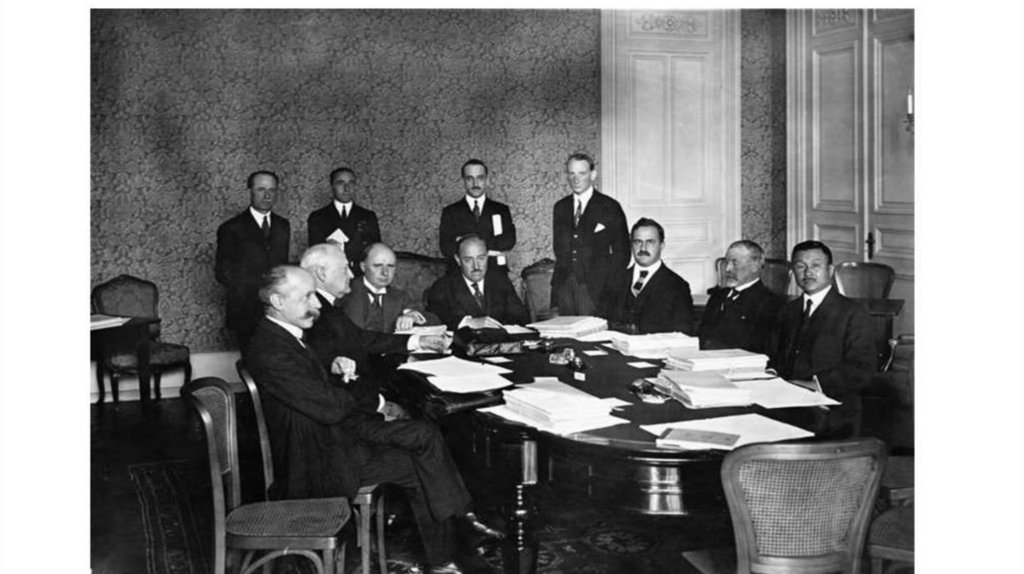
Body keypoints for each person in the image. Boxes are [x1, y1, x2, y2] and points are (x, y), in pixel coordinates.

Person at [245, 264, 501, 574]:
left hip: (333, 436)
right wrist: (354, 391)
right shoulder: (271, 350)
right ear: (277, 302)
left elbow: (316, 391)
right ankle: (449, 548)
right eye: (307, 297)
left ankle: (450, 543)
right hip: (318, 459)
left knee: (423, 438)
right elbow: (331, 407)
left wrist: (333, 370)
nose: (316, 304)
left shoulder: (284, 336)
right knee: (420, 456)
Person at [768, 240, 875, 438]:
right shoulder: (787, 311)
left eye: (816, 265)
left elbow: (862, 369)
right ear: (793, 272)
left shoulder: (852, 313)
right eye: (800, 266)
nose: (808, 272)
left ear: (831, 270)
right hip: (787, 404)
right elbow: (774, 356)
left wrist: (815, 385)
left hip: (833, 410)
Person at [215, 170, 291, 352]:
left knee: (278, 357)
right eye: (261, 189)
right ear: (250, 191)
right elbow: (222, 272)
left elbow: (283, 266)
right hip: (246, 309)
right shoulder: (231, 228)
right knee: (252, 358)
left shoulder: (283, 225)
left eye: (272, 190)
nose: (267, 195)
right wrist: (255, 289)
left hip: (277, 308)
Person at [551, 152, 629, 316]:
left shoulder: (610, 207)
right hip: (564, 285)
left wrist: (608, 287)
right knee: (565, 329)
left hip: (596, 289)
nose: (576, 179)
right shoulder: (560, 207)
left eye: (582, 173)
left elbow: (622, 253)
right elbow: (559, 249)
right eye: (571, 173)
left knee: (590, 330)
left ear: (593, 175)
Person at [600, 218, 694, 334]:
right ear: (631, 245)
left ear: (662, 245)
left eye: (650, 242)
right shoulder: (615, 281)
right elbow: (602, 324)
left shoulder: (678, 286)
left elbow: (683, 335)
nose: (643, 248)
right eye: (637, 242)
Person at [426, 235, 529, 330]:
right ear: (458, 260)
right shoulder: (442, 287)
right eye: (468, 260)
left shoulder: (501, 282)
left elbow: (521, 318)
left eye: (481, 258)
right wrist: (467, 322)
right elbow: (435, 321)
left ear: (487, 256)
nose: (476, 266)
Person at [699, 239, 783, 352]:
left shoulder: (770, 304)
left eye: (735, 263)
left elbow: (764, 350)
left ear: (755, 266)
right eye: (726, 262)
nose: (727, 269)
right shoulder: (718, 296)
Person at [340, 242, 441, 333]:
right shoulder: (344, 292)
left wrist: (412, 315)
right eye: (378, 266)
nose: (385, 272)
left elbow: (434, 321)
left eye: (390, 266)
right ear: (363, 267)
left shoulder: (400, 297)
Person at [439, 159, 517, 273]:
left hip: (496, 271)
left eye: (480, 178)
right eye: (469, 178)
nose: (475, 184)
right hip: (460, 274)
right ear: (463, 181)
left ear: (486, 179)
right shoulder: (450, 212)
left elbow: (509, 241)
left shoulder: (501, 209)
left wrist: (462, 240)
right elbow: (446, 248)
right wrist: (491, 247)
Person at [307, 167, 382, 274]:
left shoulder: (368, 216)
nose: (347, 188)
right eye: (340, 183)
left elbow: (376, 251)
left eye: (351, 183)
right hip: (331, 275)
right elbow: (315, 254)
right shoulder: (317, 217)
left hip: (360, 275)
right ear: (332, 186)